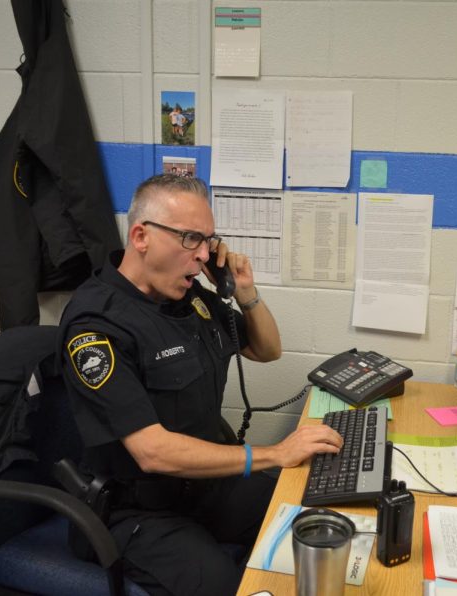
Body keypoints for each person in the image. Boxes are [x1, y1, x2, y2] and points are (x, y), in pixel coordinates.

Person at [57, 174, 343, 595]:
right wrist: (275, 452)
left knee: (306, 514)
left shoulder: (188, 299)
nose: (204, 254)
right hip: (134, 511)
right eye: (192, 238)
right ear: (141, 236)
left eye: (209, 240)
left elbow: (267, 350)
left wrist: (242, 290)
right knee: (227, 585)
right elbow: (152, 451)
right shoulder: (97, 326)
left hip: (203, 488)